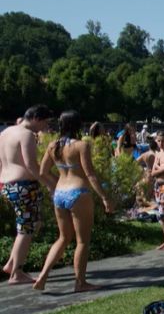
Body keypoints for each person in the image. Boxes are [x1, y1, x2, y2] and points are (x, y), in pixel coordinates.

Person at [34, 110, 114, 292]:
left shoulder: (53, 145)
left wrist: (56, 185)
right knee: (82, 241)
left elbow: (42, 172)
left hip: (60, 194)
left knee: (63, 238)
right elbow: (90, 174)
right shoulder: (81, 145)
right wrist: (104, 197)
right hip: (78, 193)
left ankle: (42, 277)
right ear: (78, 125)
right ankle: (80, 283)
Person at [0, 105, 55, 285]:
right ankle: (16, 272)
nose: (44, 128)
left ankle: (11, 264)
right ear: (36, 118)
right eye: (45, 122)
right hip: (24, 186)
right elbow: (31, 165)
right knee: (26, 229)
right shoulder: (27, 135)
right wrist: (49, 183)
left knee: (28, 226)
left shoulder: (6, 132)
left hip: (7, 184)